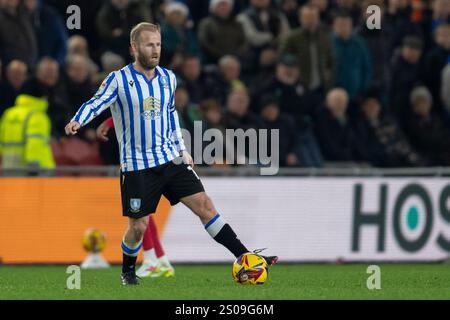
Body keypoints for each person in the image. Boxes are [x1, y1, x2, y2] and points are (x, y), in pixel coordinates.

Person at [65, 23, 278, 285]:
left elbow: (170, 116)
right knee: (138, 227)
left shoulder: (168, 78)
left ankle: (246, 257)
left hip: (171, 159)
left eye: (158, 45)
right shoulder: (118, 79)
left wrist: (183, 150)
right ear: (134, 48)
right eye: (148, 45)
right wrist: (78, 120)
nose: (155, 50)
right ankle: (128, 271)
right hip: (137, 165)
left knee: (205, 206)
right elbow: (96, 103)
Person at [96, 116, 175, 278]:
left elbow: (133, 106)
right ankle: (160, 259)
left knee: (138, 210)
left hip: (139, 154)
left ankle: (152, 260)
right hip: (148, 148)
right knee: (143, 211)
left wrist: (108, 122)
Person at [0, 83, 55, 170]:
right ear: (41, 97)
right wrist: (34, 166)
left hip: (8, 166)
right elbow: (35, 143)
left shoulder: (9, 114)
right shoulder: (37, 116)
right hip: (33, 169)